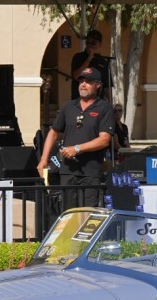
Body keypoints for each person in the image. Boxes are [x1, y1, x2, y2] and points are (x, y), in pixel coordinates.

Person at [38, 66, 114, 209]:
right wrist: (43, 160)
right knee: (68, 214)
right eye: (81, 81)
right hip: (68, 171)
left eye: (88, 82)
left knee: (87, 214)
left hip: (91, 173)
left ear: (98, 85)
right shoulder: (69, 107)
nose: (83, 84)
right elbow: (53, 132)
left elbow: (104, 140)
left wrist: (77, 149)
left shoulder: (104, 108)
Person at [70, 29, 109, 100]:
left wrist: (110, 102)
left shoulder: (103, 61)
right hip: (79, 101)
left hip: (96, 101)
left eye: (93, 43)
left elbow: (107, 86)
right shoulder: (78, 57)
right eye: (88, 43)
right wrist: (89, 58)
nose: (90, 45)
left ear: (99, 44)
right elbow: (76, 76)